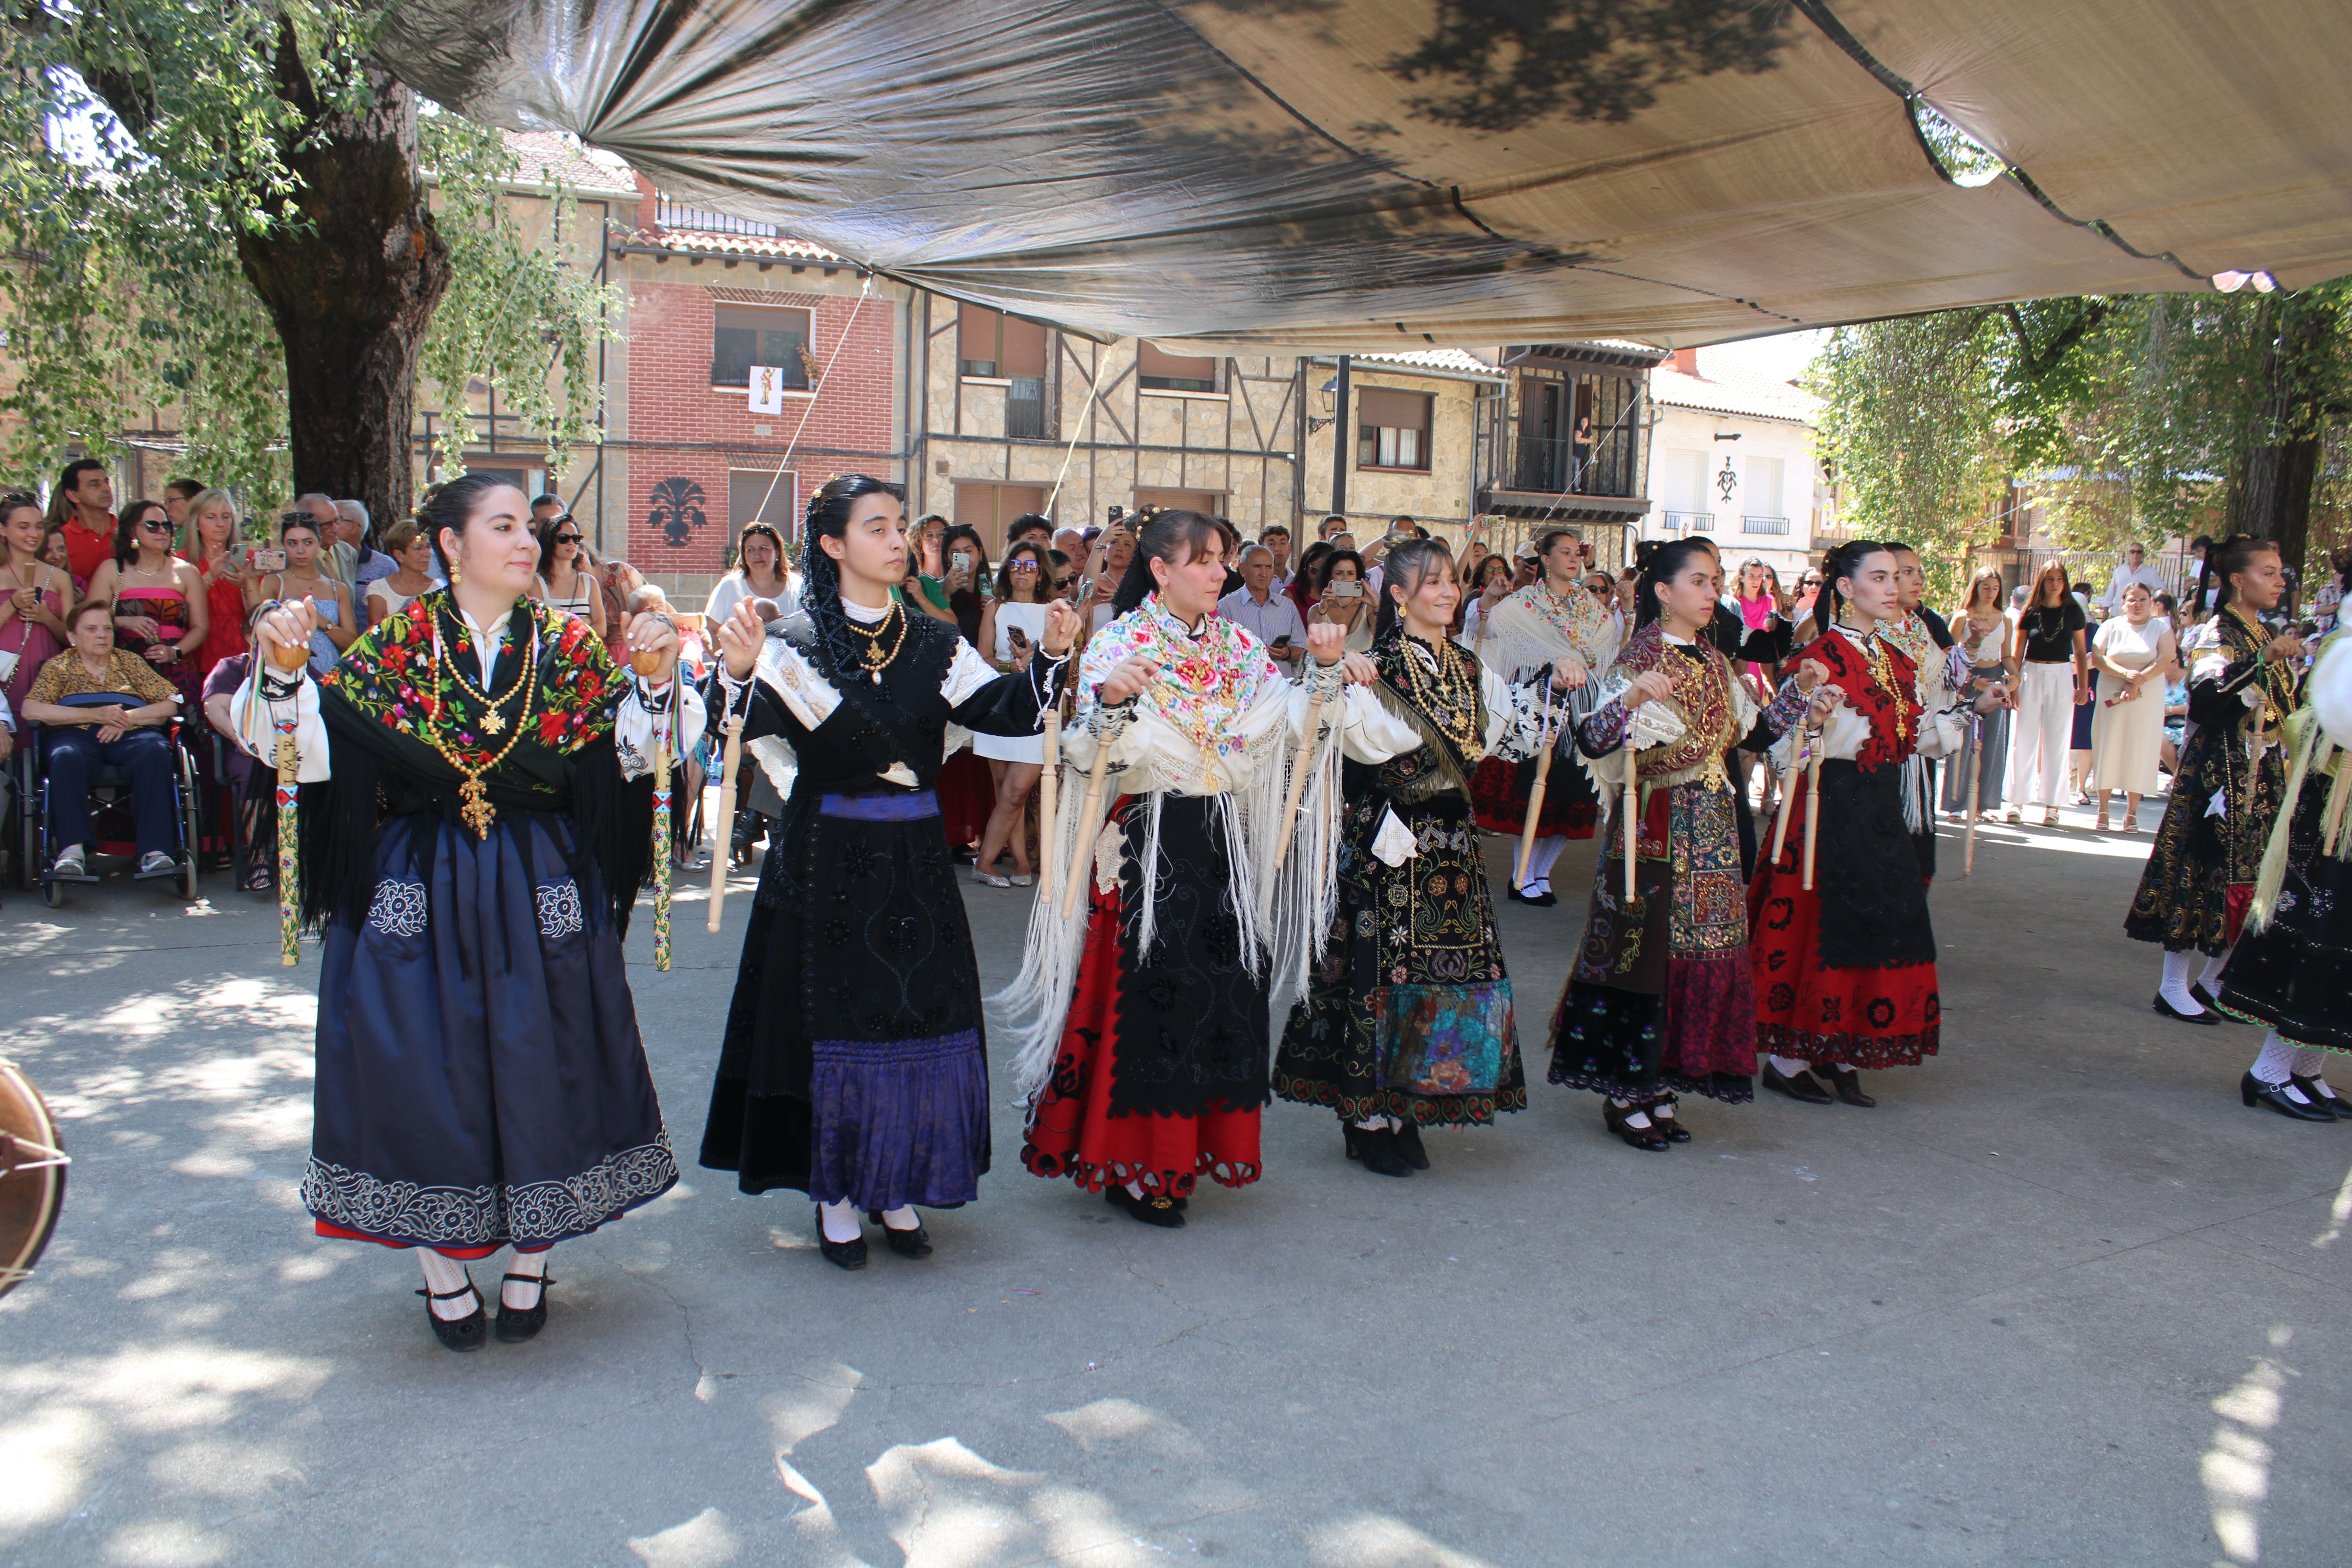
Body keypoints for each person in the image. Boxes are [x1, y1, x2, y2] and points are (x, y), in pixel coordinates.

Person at [236, 473, 697, 1351]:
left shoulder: (565, 648)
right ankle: (439, 1266)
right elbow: (295, 751)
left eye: (530, 528)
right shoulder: (395, 645)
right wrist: (286, 671)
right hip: (420, 880)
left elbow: (646, 758)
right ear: (450, 545)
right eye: (505, 527)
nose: (528, 542)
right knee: (409, 1057)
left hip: (539, 880)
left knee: (549, 1052)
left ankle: (533, 1256)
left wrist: (655, 681)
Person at [699, 475, 1072, 1268]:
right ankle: (835, 1190)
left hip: (913, 862)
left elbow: (1004, 708)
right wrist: (733, 674)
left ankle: (893, 1181)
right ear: (832, 544)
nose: (899, 539)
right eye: (878, 526)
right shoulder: (792, 645)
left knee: (911, 1019)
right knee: (828, 1026)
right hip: (822, 856)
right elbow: (730, 735)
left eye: (901, 525)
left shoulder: (933, 641)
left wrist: (1053, 659)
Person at [1005, 508, 1368, 1228]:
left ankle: (1186, 1149)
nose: (1219, 572)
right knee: (1148, 999)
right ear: (1161, 569)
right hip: (1148, 840)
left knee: (1219, 995)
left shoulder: (1240, 648)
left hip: (1224, 840)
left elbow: (1291, 722)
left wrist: (1325, 671)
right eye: (1203, 559)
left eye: (1223, 559)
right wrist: (1109, 700)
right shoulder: (1122, 640)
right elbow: (1083, 748)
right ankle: (1138, 1160)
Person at [1272, 540, 1577, 1175]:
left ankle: (1408, 1102)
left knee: (1440, 980)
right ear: (1400, 595)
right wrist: (1330, 671)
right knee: (1381, 974)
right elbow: (1328, 735)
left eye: (1452, 581)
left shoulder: (1468, 669)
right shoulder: (1375, 666)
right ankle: (1365, 1114)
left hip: (1453, 847)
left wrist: (1552, 687)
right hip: (1388, 840)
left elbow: (1512, 731)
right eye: (1432, 582)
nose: (1447, 592)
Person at [1550, 541, 1831, 1147]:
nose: (1711, 593)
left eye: (1716, 582)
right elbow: (1593, 741)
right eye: (1700, 582)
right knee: (1644, 954)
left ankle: (1660, 1083)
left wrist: (1800, 692)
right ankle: (1626, 1090)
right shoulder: (1638, 659)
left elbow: (1750, 732)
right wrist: (1631, 699)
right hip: (1655, 826)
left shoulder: (1712, 659)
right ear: (1663, 592)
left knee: (1700, 955)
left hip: (1713, 828)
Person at [1749, 540, 1949, 1109]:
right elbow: (1778, 738)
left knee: (1874, 928)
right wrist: (1811, 713)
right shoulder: (1820, 656)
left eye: (1897, 577)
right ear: (1845, 587)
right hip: (1830, 807)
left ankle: (1840, 1049)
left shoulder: (1898, 659)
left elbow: (1911, 737)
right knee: (1822, 931)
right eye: (1879, 577)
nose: (1892, 588)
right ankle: (1790, 1060)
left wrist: (1965, 713)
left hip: (1880, 809)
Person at [2126, 535, 2304, 1025]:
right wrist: (2259, 663)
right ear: (2237, 581)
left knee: (2251, 874)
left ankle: (2215, 979)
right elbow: (2205, 699)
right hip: (2219, 773)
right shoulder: (2217, 632)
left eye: (2279, 572)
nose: (2279, 581)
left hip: (2260, 772)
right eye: (2268, 572)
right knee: (2201, 871)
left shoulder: (2262, 630)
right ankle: (2172, 984)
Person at [2214, 623, 2352, 1119]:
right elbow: (2308, 723)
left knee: (2342, 951)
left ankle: (2308, 1068)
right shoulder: (2344, 643)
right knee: (2317, 941)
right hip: (2331, 821)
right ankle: (2269, 1070)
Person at [1469, 528, 1619, 903]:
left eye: (1577, 553)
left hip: (1582, 706)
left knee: (1573, 798)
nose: (1573, 559)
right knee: (1536, 789)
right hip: (1543, 701)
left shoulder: (1590, 607)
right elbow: (1493, 634)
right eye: (1564, 553)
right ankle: (1522, 875)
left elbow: (1608, 643)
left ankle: (1542, 874)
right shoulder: (1524, 603)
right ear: (1546, 560)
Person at [22, 599, 184, 880]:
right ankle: (73, 851)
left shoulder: (129, 662)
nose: (102, 635)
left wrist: (127, 719)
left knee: (156, 753)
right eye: (92, 629)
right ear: (72, 637)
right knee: (64, 757)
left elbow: (171, 704)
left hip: (131, 732)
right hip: (75, 735)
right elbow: (31, 709)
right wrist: (98, 715)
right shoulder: (59, 667)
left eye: (107, 629)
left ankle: (155, 852)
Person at [971, 539, 1058, 887]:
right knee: (1006, 790)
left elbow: (1064, 653)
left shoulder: (1055, 609)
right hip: (1001, 702)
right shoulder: (996, 607)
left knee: (1017, 791)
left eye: (1031, 566)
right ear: (1007, 569)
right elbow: (983, 657)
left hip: (1040, 704)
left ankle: (985, 861)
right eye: (1016, 565)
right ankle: (1020, 862)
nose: (1023, 571)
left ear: (1041, 574)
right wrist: (1012, 666)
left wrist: (1035, 660)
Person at [1882, 542, 1962, 876]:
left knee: (1918, 856)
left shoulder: (1916, 625)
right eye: (1908, 573)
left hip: (1920, 752)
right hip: (1884, 754)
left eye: (1920, 573)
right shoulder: (1867, 631)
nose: (1919, 582)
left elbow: (1942, 679)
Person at [87, 499, 209, 715]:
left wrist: (175, 652)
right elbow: (88, 619)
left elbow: (200, 627)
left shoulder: (187, 572)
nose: (162, 531)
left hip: (175, 666)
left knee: (184, 734)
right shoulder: (112, 569)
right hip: (123, 667)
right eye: (153, 526)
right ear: (132, 530)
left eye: (168, 526)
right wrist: (124, 621)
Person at [2004, 561, 2089, 826]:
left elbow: (2081, 654)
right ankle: (2017, 802)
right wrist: (2013, 685)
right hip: (2031, 674)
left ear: (2065, 582)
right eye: (2050, 579)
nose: (2054, 584)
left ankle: (2053, 805)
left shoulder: (2073, 612)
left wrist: (2083, 686)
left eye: (2059, 579)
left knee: (2058, 739)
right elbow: (2017, 653)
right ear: (2042, 582)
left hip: (2062, 675)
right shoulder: (2031, 612)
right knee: (2023, 738)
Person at [2089, 582, 2177, 833]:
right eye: (2131, 599)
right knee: (2109, 745)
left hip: (2147, 694)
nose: (2137, 604)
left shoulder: (2161, 627)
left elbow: (2165, 658)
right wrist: (2126, 674)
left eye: (2142, 599)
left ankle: (2132, 813)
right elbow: (2099, 657)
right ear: (2123, 603)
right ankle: (2103, 810)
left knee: (2140, 748)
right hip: (2112, 691)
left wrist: (2138, 681)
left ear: (2152, 603)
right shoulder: (2110, 626)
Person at [1941, 568, 2013, 821]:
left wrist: (2015, 677)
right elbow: (1948, 655)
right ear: (1976, 587)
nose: (1991, 592)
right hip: (1968, 681)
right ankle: (1955, 804)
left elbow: (2007, 656)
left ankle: (1983, 805)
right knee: (1963, 743)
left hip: (1995, 679)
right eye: (1986, 587)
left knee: (1992, 743)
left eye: (1995, 588)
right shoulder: (1963, 616)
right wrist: (1973, 680)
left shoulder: (2005, 619)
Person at [247, 510, 355, 675]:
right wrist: (251, 583)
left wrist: (320, 620)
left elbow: (353, 643)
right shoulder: (275, 582)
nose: (300, 551)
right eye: (292, 543)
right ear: (284, 544)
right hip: (288, 671)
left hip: (330, 675)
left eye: (308, 543)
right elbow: (257, 626)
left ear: (319, 542)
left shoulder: (338, 588)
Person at [0, 488, 71, 721]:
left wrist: (47, 618)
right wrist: (12, 604)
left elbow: (74, 638)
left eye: (39, 526)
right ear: (3, 530)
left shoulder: (59, 578)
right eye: (24, 527)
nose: (33, 534)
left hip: (48, 671)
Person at [182, 489, 260, 679]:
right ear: (196, 523)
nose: (220, 524)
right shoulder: (181, 561)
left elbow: (260, 613)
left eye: (226, 517)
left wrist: (248, 584)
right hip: (199, 645)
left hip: (243, 647)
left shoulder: (249, 559)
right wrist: (210, 576)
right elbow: (181, 610)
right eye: (211, 517)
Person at [1219, 544, 1307, 672]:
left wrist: (1287, 654)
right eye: (1258, 567)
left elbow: (1303, 649)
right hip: (1245, 688)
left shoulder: (1287, 607)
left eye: (1269, 567)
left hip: (1281, 687)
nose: (1264, 574)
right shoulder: (1226, 607)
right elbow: (1220, 653)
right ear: (1243, 569)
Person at [704, 521, 799, 630]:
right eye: (751, 550)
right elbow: (710, 630)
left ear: (777, 552)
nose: (757, 555)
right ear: (744, 555)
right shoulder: (729, 586)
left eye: (763, 548)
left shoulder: (797, 587)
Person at [531, 514, 609, 640]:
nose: (572, 543)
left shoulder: (589, 582)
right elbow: (541, 628)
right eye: (564, 538)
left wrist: (564, 627)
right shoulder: (536, 582)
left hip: (585, 656)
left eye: (576, 538)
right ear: (550, 542)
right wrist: (585, 622)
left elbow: (601, 629)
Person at [364, 517, 442, 627]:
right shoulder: (380, 589)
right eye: (418, 549)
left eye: (428, 547)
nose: (426, 554)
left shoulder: (439, 589)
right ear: (399, 555)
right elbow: (378, 633)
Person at [51, 458, 118, 582]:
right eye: (94, 484)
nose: (106, 489)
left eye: (106, 482)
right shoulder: (60, 538)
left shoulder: (129, 531)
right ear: (73, 495)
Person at [1307, 548, 1375, 655]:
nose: (1345, 578)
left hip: (1362, 669)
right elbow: (1317, 645)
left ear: (1358, 577)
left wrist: (1376, 606)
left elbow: (1384, 636)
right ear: (1330, 577)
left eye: (1351, 573)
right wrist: (1323, 610)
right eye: (1339, 573)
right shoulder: (1316, 610)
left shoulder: (1368, 608)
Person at [1456, 552, 1515, 651]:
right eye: (1490, 569)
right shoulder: (1476, 596)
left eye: (1500, 570)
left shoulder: (1510, 600)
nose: (1495, 573)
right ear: (1482, 578)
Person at [338, 501, 396, 592]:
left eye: (336, 520)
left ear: (353, 527)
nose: (329, 526)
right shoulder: (323, 560)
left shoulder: (385, 566)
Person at [2100, 541, 2167, 614]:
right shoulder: (2120, 570)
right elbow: (2111, 591)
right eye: (2133, 552)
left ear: (2143, 555)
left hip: (2139, 616)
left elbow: (2163, 591)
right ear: (2129, 553)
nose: (2136, 554)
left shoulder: (2151, 573)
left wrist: (2152, 603)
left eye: (2139, 552)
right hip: (2118, 614)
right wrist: (2106, 610)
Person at [1260, 523, 1294, 593]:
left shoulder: (1297, 581)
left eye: (1283, 543)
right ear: (1262, 548)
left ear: (1289, 548)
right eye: (1272, 544)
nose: (1278, 549)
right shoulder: (1258, 581)